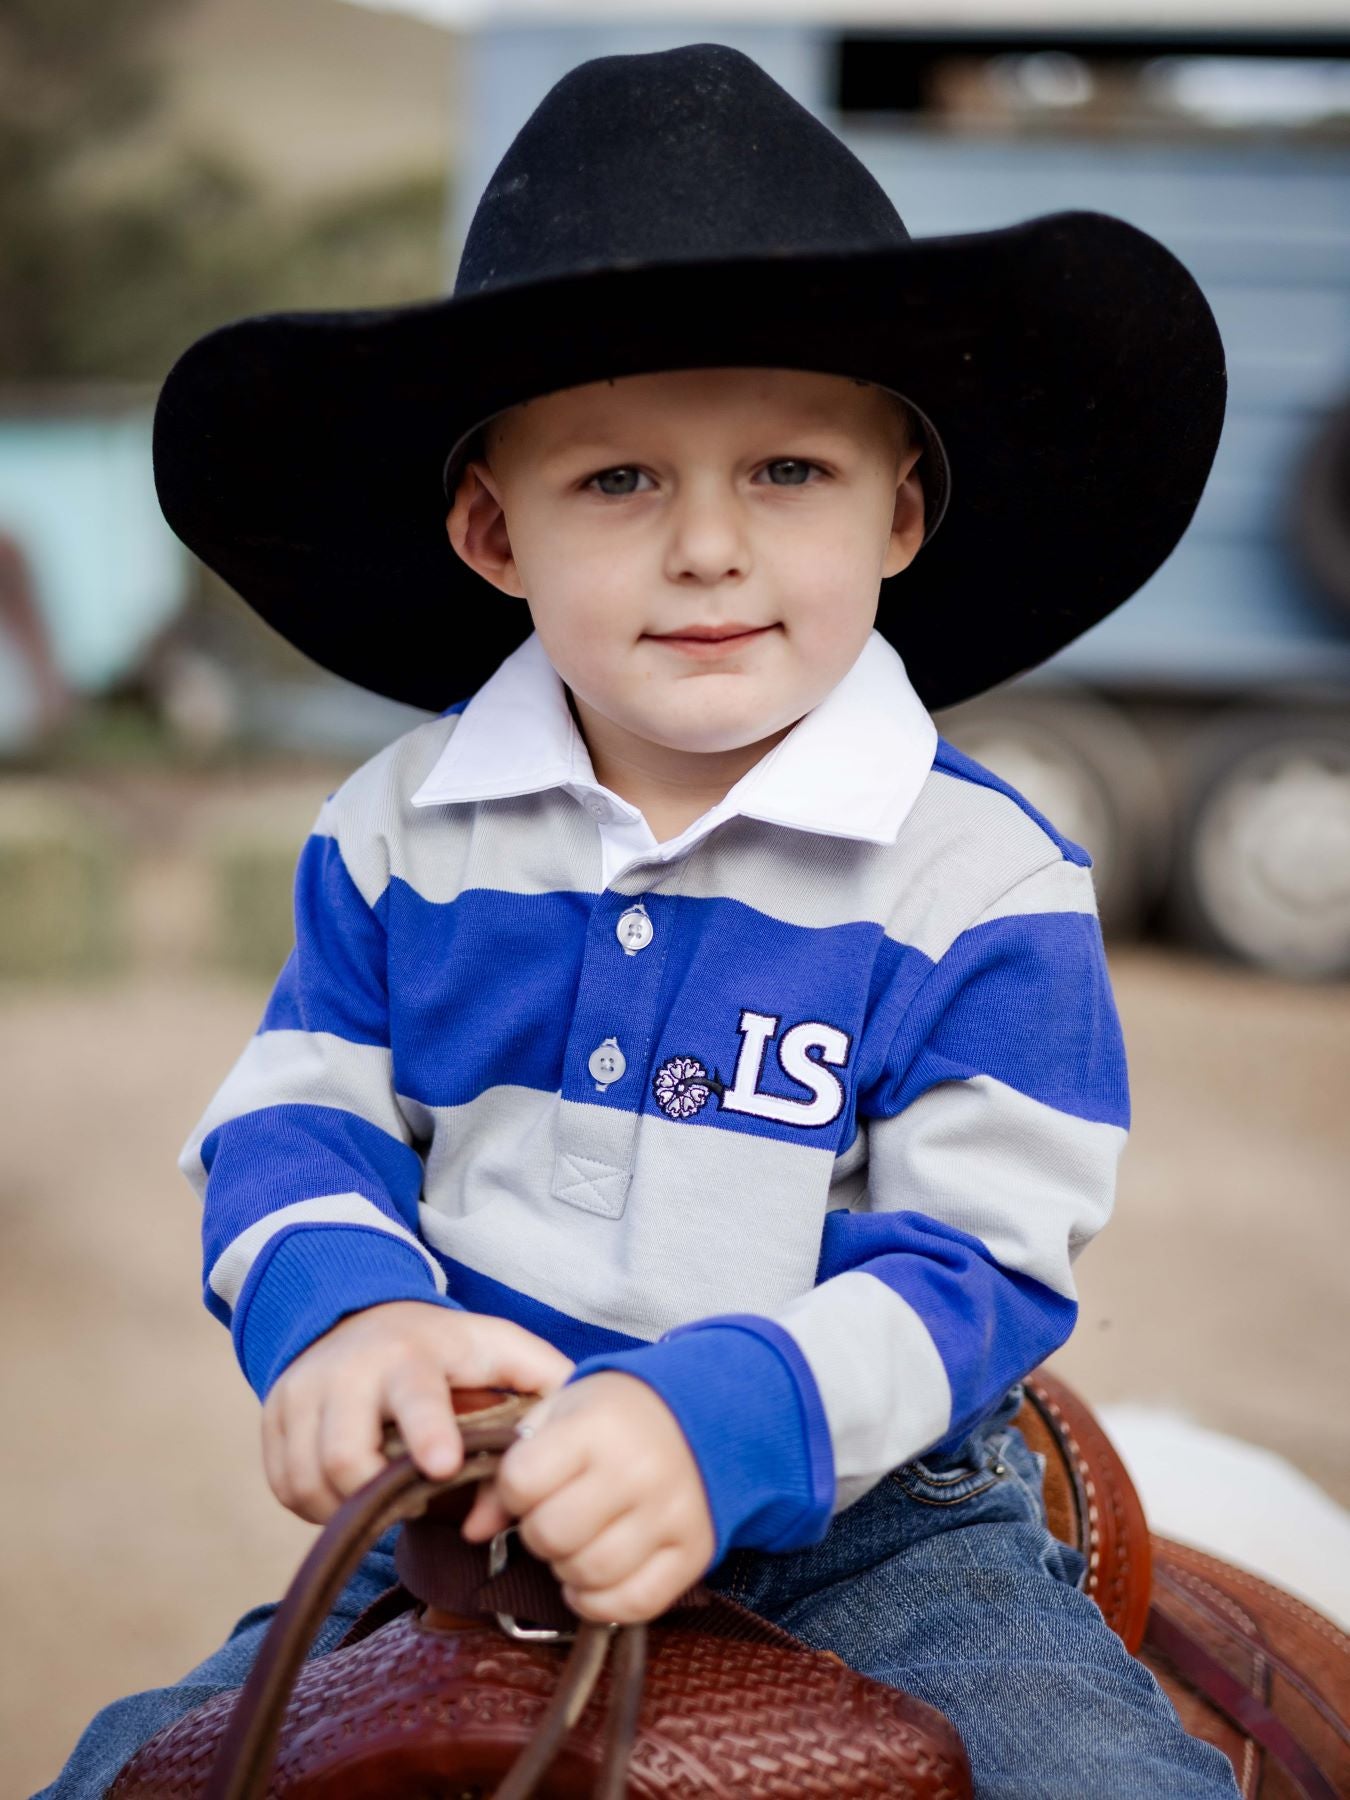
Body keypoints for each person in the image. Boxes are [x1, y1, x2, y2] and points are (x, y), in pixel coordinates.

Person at [36, 41, 1240, 1800]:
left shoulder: (979, 881)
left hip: (870, 1523)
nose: (706, 548)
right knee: (129, 1771)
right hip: (473, 1502)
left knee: (1092, 1778)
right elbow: (299, 1113)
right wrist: (347, 1314)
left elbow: (984, 1256)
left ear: (899, 512)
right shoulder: (397, 831)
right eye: (615, 480)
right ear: (489, 531)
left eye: (788, 472)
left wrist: (714, 1423)